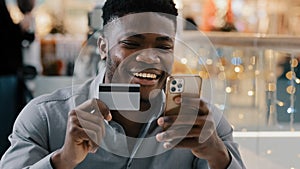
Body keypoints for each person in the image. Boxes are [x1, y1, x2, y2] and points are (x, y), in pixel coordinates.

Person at [0, 0, 245, 168]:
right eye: (132, 43)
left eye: (163, 46)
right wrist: (63, 160)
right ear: (103, 46)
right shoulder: (44, 117)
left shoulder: (205, 125)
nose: (149, 57)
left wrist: (218, 156)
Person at [0, 0, 35, 157]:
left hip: (10, 73)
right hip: (5, 73)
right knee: (5, 125)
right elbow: (5, 36)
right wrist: (20, 27)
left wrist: (25, 31)